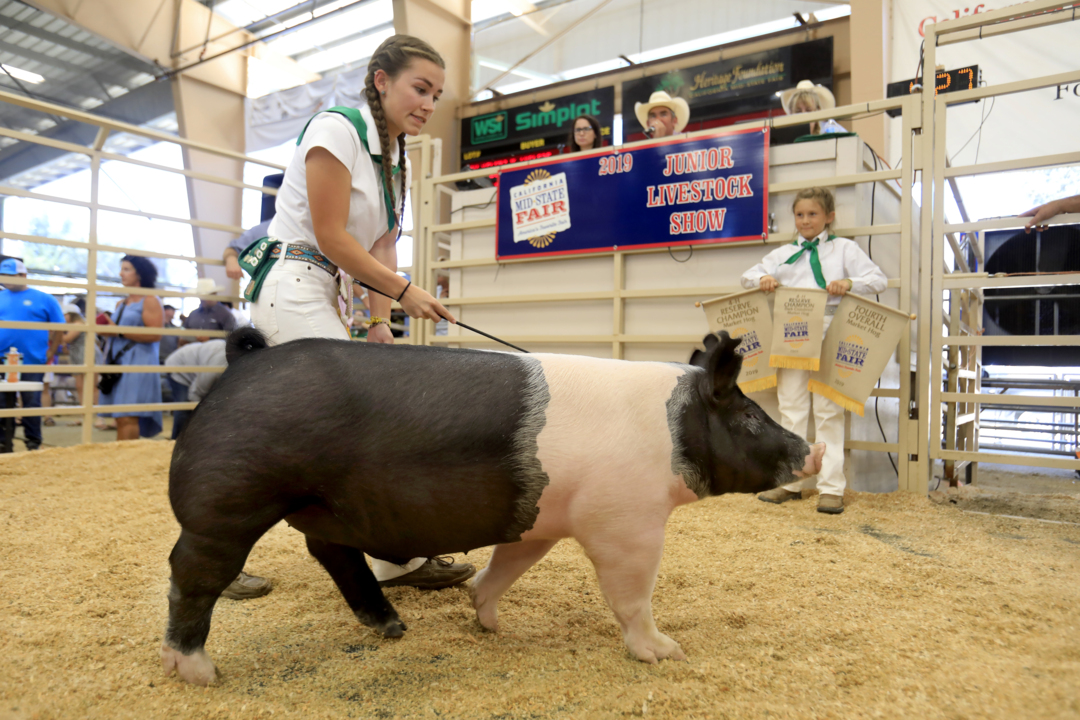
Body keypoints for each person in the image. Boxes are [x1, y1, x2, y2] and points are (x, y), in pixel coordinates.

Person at [245, 33, 473, 590]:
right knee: (346, 429)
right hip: (291, 284)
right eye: (419, 88)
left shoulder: (397, 160)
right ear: (381, 81)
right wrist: (402, 293)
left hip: (324, 293)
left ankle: (393, 558)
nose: (427, 103)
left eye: (436, 95)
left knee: (310, 437)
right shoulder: (337, 129)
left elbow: (381, 245)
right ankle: (213, 551)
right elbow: (330, 235)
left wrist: (379, 321)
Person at [741, 188, 888, 514]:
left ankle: (831, 488)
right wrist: (763, 278)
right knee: (791, 408)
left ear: (829, 217)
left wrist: (849, 284)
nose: (806, 220)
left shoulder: (844, 250)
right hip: (791, 336)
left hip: (830, 334)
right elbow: (747, 277)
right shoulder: (782, 254)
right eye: (800, 214)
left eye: (813, 214)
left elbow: (878, 279)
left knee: (828, 411)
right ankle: (791, 482)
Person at [0, 258, 64, 451]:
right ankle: (3, 442)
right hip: (2, 360)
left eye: (11, 275)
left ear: (23, 275)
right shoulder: (1, 297)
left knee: (31, 401)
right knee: (2, 401)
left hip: (32, 359)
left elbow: (59, 327)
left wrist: (51, 351)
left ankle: (33, 441)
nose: (6, 279)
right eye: (3, 276)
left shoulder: (45, 299)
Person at [98, 255, 163, 441]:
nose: (121, 273)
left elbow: (155, 334)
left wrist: (118, 332)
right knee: (120, 416)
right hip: (118, 361)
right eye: (122, 269)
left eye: (127, 269)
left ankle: (125, 460)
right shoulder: (122, 303)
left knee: (128, 415)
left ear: (140, 274)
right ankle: (121, 458)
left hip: (139, 361)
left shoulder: (150, 300)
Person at [60, 304, 108, 430]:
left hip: (87, 355)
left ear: (69, 315)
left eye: (64, 315)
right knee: (80, 386)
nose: (63, 318)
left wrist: (55, 333)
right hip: (79, 356)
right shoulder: (77, 325)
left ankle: (100, 417)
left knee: (92, 387)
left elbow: (67, 338)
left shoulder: (79, 324)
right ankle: (84, 415)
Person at [180, 278, 236, 346]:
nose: (202, 299)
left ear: (214, 294)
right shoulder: (193, 314)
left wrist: (211, 338)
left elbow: (233, 336)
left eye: (205, 295)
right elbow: (184, 332)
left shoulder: (225, 314)